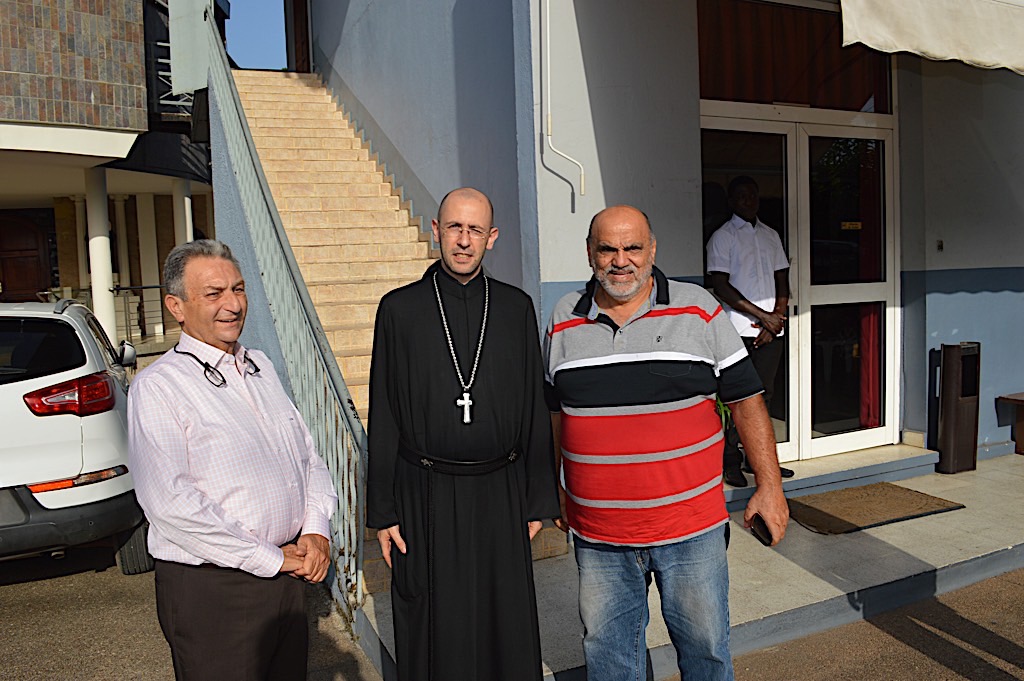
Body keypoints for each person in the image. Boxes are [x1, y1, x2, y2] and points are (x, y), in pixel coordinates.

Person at [544, 205, 789, 681]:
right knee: (611, 662)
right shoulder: (563, 318)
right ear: (590, 253)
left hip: (691, 530)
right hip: (600, 536)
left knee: (706, 655)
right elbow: (555, 414)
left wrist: (770, 485)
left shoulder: (699, 308)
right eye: (608, 249)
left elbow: (746, 401)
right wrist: (554, 485)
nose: (621, 261)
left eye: (633, 247)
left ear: (652, 250)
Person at [367, 187, 560, 681]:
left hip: (500, 490)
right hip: (424, 490)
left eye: (475, 230)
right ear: (436, 231)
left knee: (503, 621)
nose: (464, 240)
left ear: (492, 237)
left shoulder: (515, 307)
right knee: (434, 624)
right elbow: (384, 411)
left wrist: (538, 498)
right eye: (454, 227)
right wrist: (383, 511)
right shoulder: (399, 309)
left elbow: (534, 406)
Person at [127, 240, 338, 681]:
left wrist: (316, 530)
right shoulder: (159, 387)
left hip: (287, 578)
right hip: (216, 590)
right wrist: (269, 558)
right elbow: (170, 505)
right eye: (214, 293)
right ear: (176, 306)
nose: (233, 304)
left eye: (238, 289)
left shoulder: (260, 366)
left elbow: (308, 458)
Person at [706, 176, 795, 488]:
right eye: (742, 196)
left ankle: (759, 461)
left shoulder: (770, 235)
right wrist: (763, 317)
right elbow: (721, 286)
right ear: (732, 201)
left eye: (753, 195)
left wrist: (777, 318)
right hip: (738, 331)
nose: (749, 201)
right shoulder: (723, 237)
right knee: (736, 398)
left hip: (771, 332)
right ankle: (730, 461)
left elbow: (782, 280)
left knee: (765, 397)